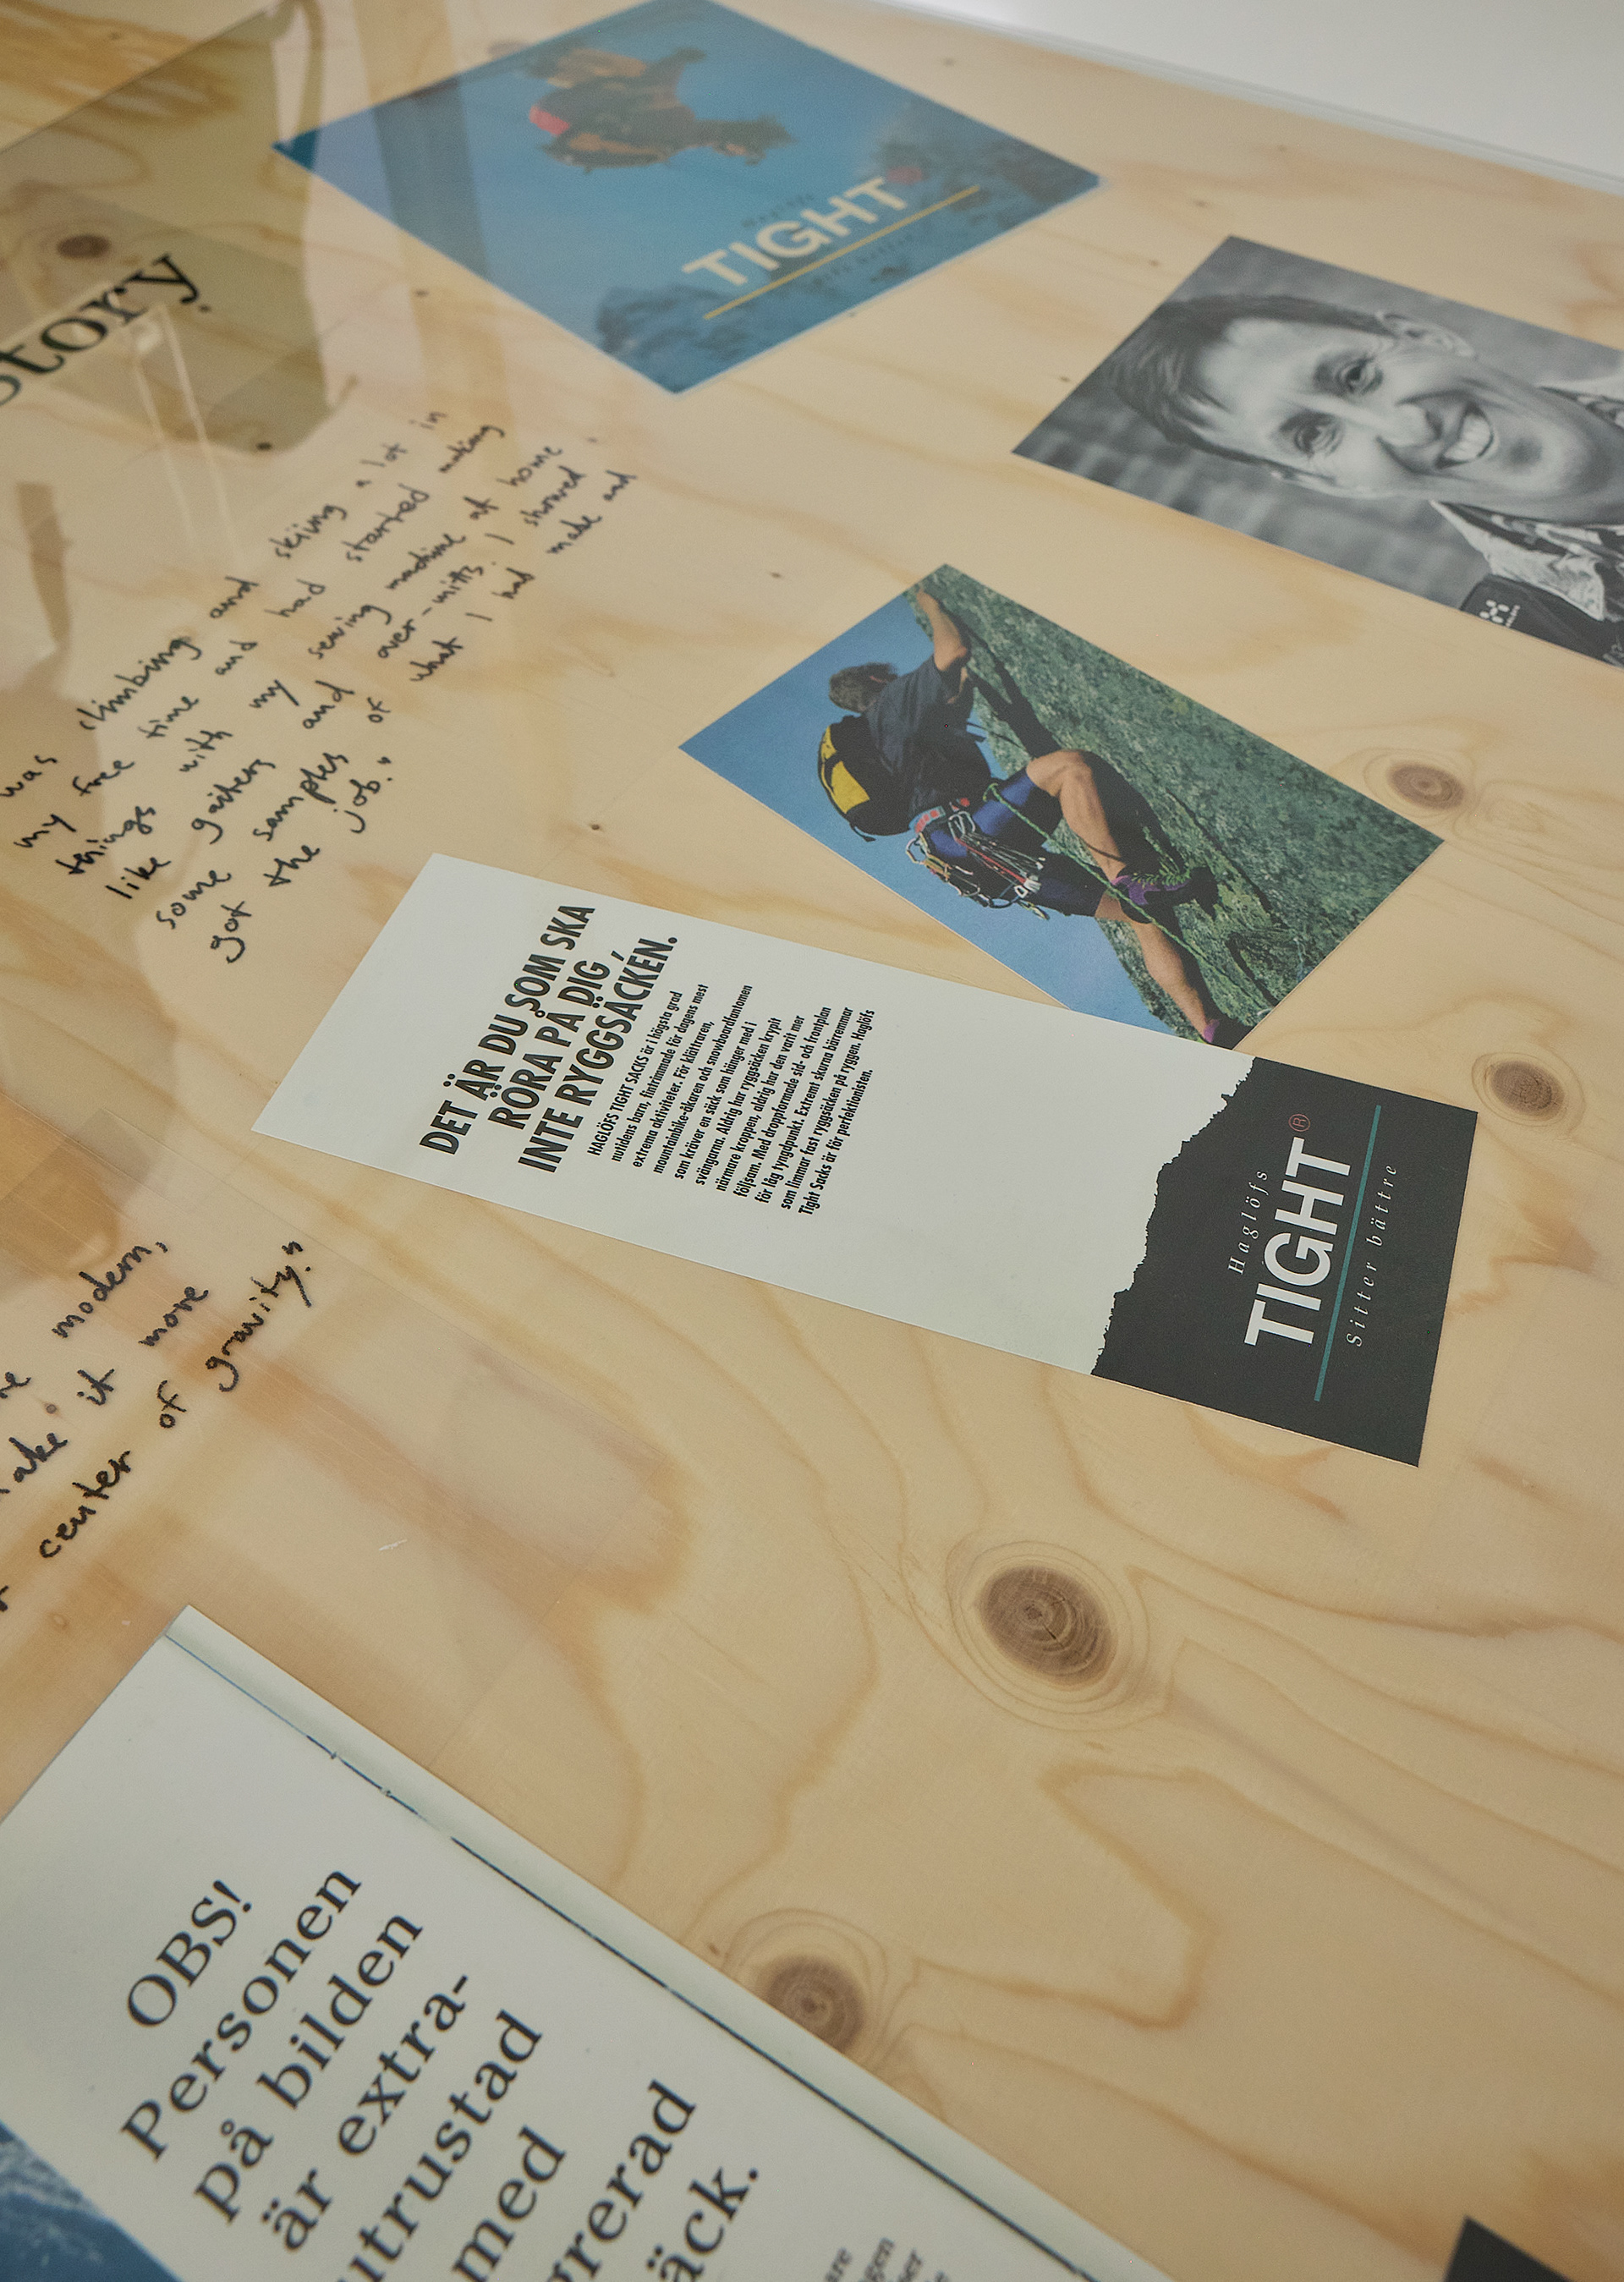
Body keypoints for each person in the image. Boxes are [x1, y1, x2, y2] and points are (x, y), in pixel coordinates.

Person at [1099, 291, 1624, 664]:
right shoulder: (1548, 648)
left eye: (1356, 376)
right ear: (1323, 482)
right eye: (1313, 436)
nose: (1409, 428)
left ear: (1428, 337)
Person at [827, 590, 1250, 1046]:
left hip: (964, 862)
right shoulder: (893, 704)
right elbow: (953, 651)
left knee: (1144, 916)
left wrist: (967, 686)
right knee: (1069, 768)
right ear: (878, 678)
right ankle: (1125, 878)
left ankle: (1210, 1028)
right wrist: (931, 604)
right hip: (968, 830)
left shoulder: (892, 737)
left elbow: (954, 700)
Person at [527, 47, 792, 173]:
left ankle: (557, 64)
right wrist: (678, 61)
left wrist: (677, 60)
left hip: (560, 113)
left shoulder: (675, 131)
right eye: (739, 151)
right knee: (635, 84)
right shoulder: (676, 133)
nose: (732, 154)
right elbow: (660, 87)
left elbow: (658, 86)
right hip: (554, 113)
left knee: (636, 79)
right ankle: (554, 65)